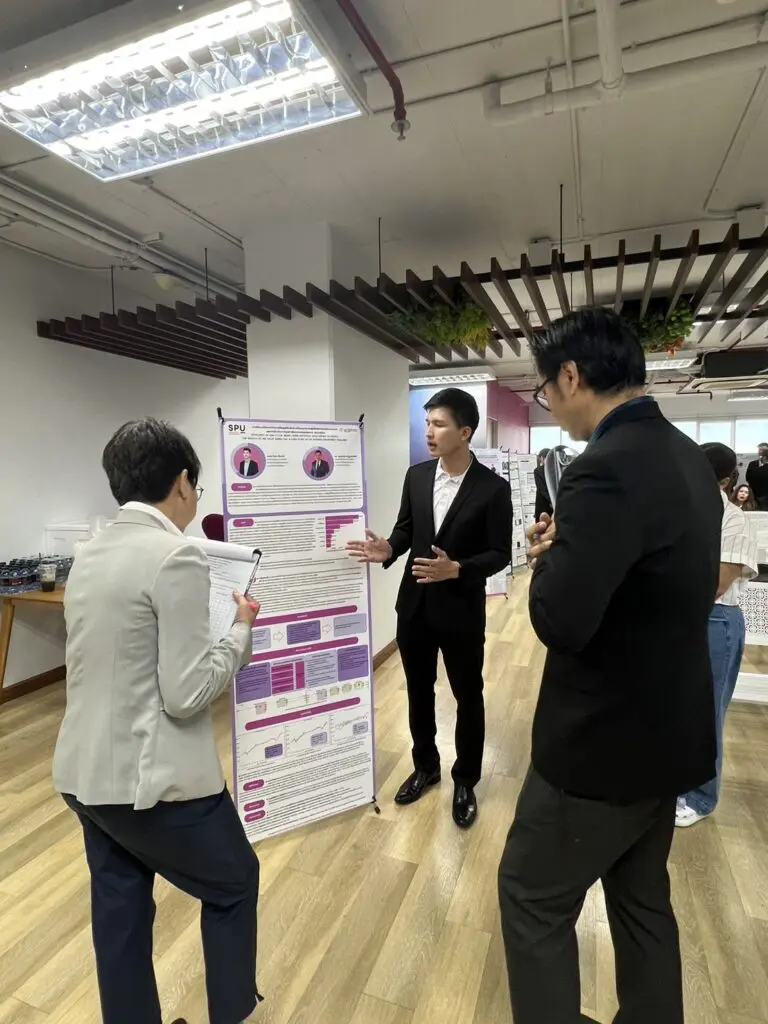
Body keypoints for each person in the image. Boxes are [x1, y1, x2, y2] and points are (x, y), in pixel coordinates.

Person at [497, 309, 722, 1024]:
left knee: (531, 899)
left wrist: (547, 560)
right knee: (641, 901)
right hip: (668, 737)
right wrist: (578, 549)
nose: (549, 404)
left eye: (545, 389)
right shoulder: (686, 456)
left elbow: (561, 623)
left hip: (600, 750)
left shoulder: (602, 468)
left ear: (571, 376)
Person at [53, 419, 262, 1024]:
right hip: (151, 782)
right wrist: (240, 632)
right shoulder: (178, 555)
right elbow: (187, 693)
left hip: (83, 774)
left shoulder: (89, 553)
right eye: (197, 486)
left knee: (120, 907)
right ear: (183, 482)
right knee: (234, 882)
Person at [347, 388, 512, 829]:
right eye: (427, 424)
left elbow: (500, 552)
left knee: (467, 695)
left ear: (465, 432)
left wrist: (458, 569)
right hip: (415, 606)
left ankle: (466, 779)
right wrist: (388, 548)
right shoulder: (417, 476)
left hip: (461, 611)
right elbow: (406, 529)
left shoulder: (493, 489)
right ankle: (426, 767)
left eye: (438, 425)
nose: (429, 433)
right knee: (419, 691)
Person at [677, 443, 758, 828]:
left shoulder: (733, 520)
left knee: (707, 714)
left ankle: (701, 797)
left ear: (724, 481)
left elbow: (717, 583)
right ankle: (675, 782)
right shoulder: (681, 512)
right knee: (676, 708)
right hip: (679, 618)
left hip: (716, 621)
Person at [746, 442, 768, 509]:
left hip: (766, 496)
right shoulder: (752, 464)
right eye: (759, 449)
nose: (759, 451)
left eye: (762, 449)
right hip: (753, 495)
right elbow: (748, 477)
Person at [533, 448, 553, 520]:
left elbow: (541, 489)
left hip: (542, 505)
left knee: (541, 525)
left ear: (542, 458)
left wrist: (549, 499)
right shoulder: (555, 470)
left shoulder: (538, 470)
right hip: (554, 505)